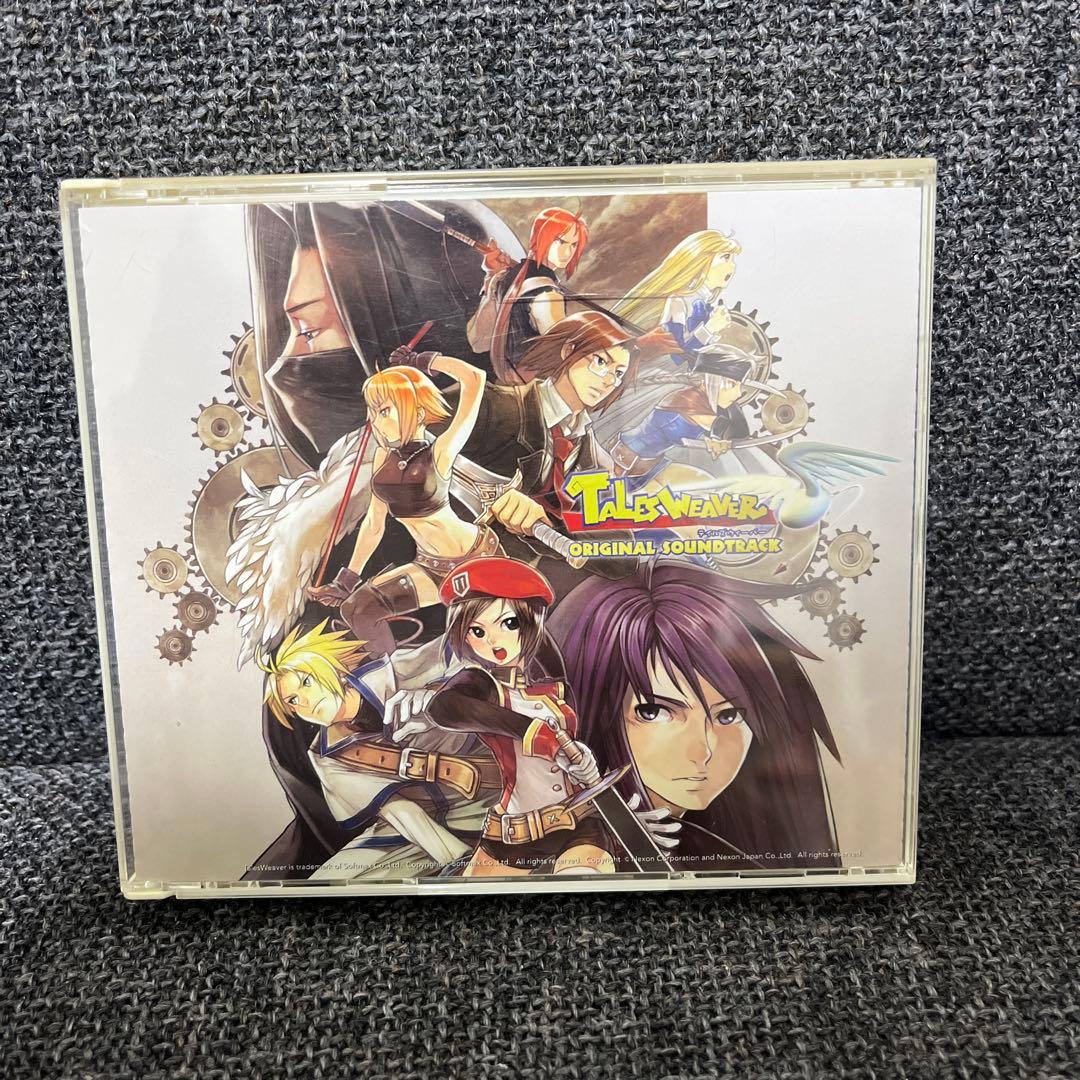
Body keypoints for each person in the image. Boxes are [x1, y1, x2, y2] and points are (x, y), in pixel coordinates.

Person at [548, 563, 843, 872]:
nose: (702, 751)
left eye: (728, 715)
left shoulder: (747, 846)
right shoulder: (584, 846)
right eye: (654, 712)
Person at [383, 558, 619, 877]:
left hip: (580, 821)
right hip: (512, 833)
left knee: (583, 886)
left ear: (532, 621)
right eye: (477, 631)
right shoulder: (484, 684)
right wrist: (533, 733)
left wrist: (586, 760)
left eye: (508, 623)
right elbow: (447, 707)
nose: (493, 641)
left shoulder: (555, 688)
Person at [248, 620, 500, 880]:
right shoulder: (326, 755)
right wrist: (457, 859)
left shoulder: (397, 670)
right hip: (420, 829)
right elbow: (400, 811)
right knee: (326, 883)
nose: (305, 702)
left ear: (331, 669)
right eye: (292, 701)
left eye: (306, 682)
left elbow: (465, 648)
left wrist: (442, 693)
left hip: (490, 798)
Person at [307, 352, 501, 657]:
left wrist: (424, 360)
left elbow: (475, 378)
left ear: (418, 412)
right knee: (357, 609)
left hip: (476, 559)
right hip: (430, 567)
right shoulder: (383, 459)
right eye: (372, 412)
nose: (376, 421)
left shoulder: (440, 452)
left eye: (384, 410)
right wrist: (346, 581)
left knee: (488, 646)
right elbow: (374, 525)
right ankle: (388, 677)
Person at [469, 206, 589, 383]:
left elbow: (478, 343)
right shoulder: (547, 293)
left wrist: (491, 276)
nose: (567, 253)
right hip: (529, 387)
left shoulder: (503, 278)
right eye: (560, 241)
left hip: (504, 381)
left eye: (574, 245)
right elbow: (562, 354)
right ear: (541, 237)